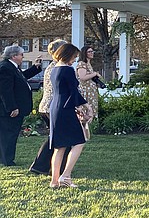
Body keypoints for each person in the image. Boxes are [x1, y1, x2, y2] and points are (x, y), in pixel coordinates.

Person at [49, 43, 91, 188]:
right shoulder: (67, 70)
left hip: (55, 108)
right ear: (68, 55)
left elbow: (65, 92)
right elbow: (73, 92)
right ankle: (66, 176)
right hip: (65, 109)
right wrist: (86, 107)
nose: (74, 60)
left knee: (59, 146)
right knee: (79, 141)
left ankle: (54, 181)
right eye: (74, 57)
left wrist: (78, 107)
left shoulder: (54, 69)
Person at [29, 39, 69, 175]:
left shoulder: (53, 66)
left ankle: (42, 167)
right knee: (61, 139)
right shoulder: (59, 68)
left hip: (47, 106)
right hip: (54, 107)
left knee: (55, 137)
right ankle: (52, 167)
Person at [0, 45, 42, 166]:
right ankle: (7, 160)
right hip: (9, 109)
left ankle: (5, 158)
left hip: (15, 107)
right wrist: (12, 107)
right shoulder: (5, 68)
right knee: (8, 135)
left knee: (10, 134)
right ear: (14, 56)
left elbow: (22, 78)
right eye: (21, 55)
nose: (23, 57)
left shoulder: (13, 67)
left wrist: (36, 67)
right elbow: (4, 90)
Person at [76, 45, 101, 120]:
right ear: (84, 53)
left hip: (91, 92)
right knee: (86, 113)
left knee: (92, 112)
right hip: (85, 92)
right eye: (89, 52)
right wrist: (94, 74)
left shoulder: (88, 64)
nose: (92, 53)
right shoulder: (82, 64)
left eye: (92, 51)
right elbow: (82, 77)